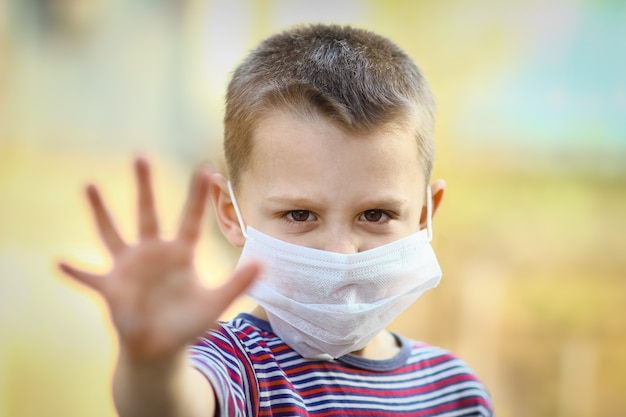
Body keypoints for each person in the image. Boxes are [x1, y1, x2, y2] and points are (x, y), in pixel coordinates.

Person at [59, 24, 493, 416]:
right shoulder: (236, 370)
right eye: (300, 214)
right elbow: (168, 405)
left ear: (423, 215)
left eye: (375, 214)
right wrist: (152, 363)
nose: (340, 252)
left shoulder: (456, 392)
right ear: (231, 215)